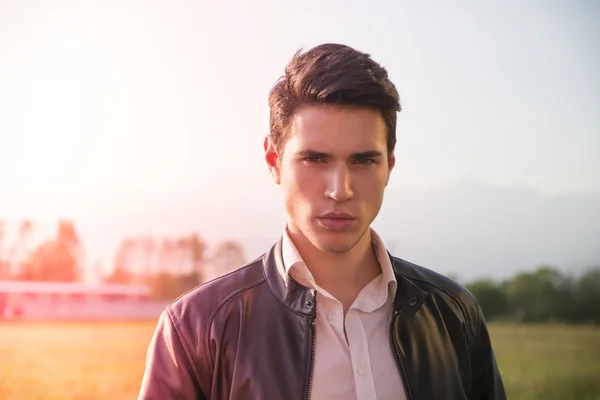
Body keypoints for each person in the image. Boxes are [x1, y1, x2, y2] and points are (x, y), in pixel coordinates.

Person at [137, 43, 506, 400]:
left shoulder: (453, 314)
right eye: (316, 159)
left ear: (389, 167)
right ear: (273, 161)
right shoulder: (196, 327)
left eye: (363, 161)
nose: (340, 189)